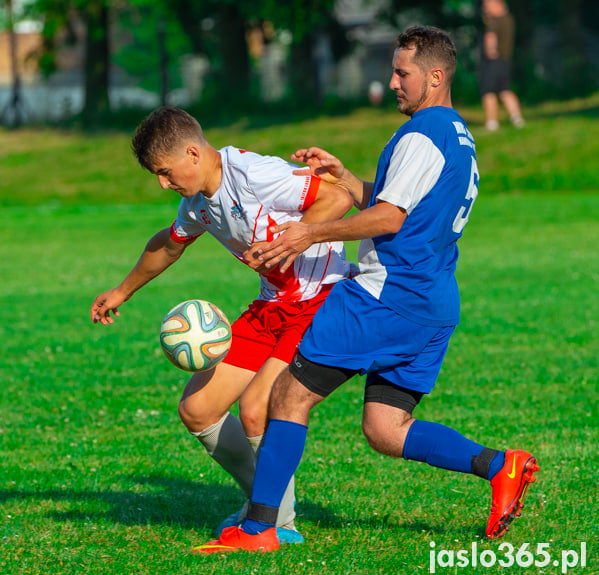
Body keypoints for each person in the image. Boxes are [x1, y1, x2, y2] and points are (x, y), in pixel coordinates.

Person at [195, 26, 539, 554]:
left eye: (403, 73)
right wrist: (348, 179)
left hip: (386, 295)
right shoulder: (457, 134)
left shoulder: (423, 133)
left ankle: (260, 526)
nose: (393, 81)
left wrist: (309, 231)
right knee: (385, 429)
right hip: (433, 301)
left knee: (289, 394)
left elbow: (391, 218)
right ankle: (498, 465)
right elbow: (398, 203)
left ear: (436, 76)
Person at [90, 106, 354, 542]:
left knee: (256, 409)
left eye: (165, 172)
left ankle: (274, 525)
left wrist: (290, 241)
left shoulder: (252, 173)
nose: (163, 183)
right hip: (272, 305)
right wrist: (122, 291)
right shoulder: (195, 201)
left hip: (318, 298)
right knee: (198, 409)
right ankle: (264, 502)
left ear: (193, 154)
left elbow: (336, 197)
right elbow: (169, 245)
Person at [480, 0, 525, 131]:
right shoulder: (509, 19)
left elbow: (490, 37)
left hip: (494, 59)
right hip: (506, 59)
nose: (485, 9)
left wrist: (490, 52)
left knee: (488, 91)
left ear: (497, 4)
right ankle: (517, 118)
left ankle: (491, 123)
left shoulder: (494, 21)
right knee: (505, 90)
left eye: (488, 5)